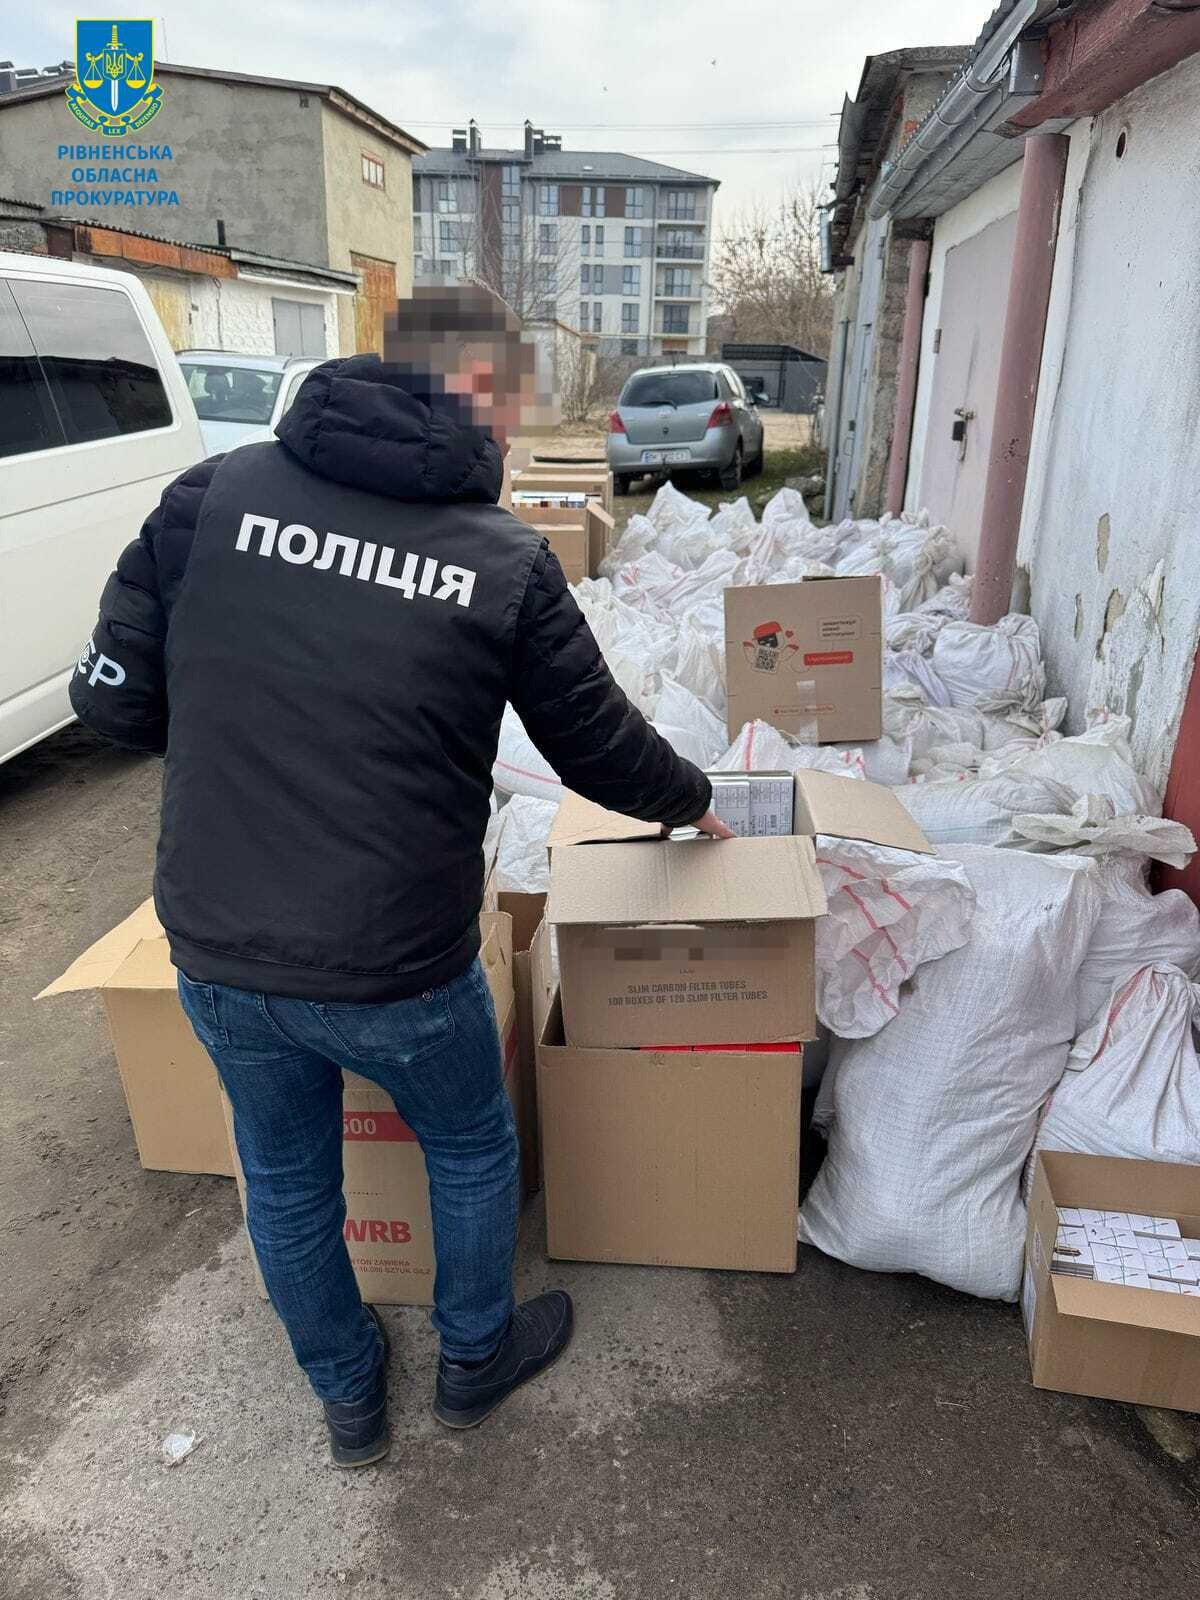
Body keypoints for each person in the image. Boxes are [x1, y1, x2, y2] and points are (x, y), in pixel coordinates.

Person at [70, 285, 732, 1468]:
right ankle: (474, 1359)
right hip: (399, 965)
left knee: (285, 1173)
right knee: (469, 1142)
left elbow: (112, 703)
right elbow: (597, 747)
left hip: (221, 945)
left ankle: (349, 1396)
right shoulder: (503, 560)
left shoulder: (209, 500)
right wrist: (691, 800)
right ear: (478, 391)